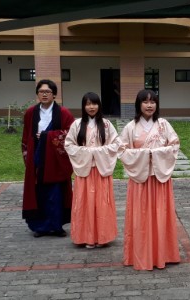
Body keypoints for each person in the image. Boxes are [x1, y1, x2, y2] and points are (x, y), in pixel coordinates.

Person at [119, 89, 180, 270]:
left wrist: (155, 154)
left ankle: (164, 253)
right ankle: (140, 254)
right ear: (139, 105)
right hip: (140, 180)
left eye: (153, 101)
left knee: (161, 215)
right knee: (141, 217)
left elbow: (174, 145)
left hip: (160, 178)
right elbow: (122, 150)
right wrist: (147, 156)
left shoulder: (164, 125)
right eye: (145, 102)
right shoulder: (130, 127)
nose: (149, 105)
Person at [64, 92, 123, 248]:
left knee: (102, 203)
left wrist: (97, 152)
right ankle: (86, 237)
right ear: (83, 106)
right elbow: (68, 145)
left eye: (94, 103)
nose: (91, 107)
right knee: (84, 203)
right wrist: (88, 152)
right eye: (88, 104)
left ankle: (103, 236)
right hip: (84, 171)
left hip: (101, 170)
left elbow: (117, 144)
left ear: (99, 105)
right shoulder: (77, 124)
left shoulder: (106, 124)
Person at [21, 79, 74, 237]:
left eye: (47, 92)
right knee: (39, 191)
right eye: (41, 91)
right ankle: (40, 226)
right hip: (37, 155)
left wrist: (47, 136)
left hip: (55, 159)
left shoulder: (63, 113)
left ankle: (56, 226)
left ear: (54, 94)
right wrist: (28, 154)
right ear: (37, 94)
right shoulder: (31, 112)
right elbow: (26, 136)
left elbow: (70, 135)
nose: (44, 94)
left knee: (56, 192)